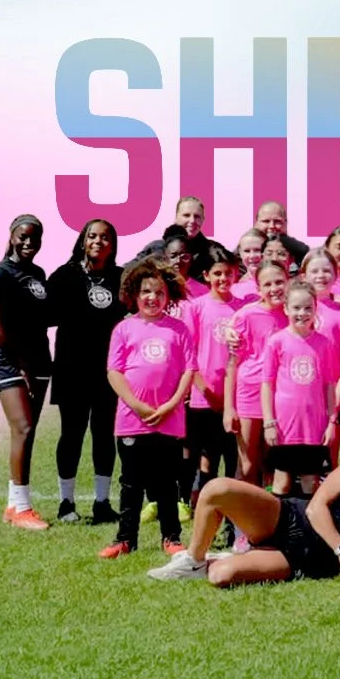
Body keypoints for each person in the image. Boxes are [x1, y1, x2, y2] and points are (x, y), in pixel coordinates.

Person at [148, 421, 340, 585]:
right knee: (216, 489)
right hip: (291, 519)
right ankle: (194, 560)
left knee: (221, 576)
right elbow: (315, 507)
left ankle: (220, 560)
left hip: (309, 558)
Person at [100, 258, 196, 558]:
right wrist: (136, 405)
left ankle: (171, 537)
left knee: (167, 481)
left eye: (159, 292)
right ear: (134, 294)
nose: (152, 297)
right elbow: (114, 372)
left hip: (169, 420)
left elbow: (188, 371)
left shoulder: (179, 330)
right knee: (131, 483)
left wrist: (171, 404)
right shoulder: (124, 329)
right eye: (146, 292)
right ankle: (125, 539)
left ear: (168, 297)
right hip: (132, 420)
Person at [46, 218, 127, 523]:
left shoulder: (121, 278)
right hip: (71, 370)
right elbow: (39, 313)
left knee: (104, 434)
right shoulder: (64, 276)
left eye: (105, 237)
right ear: (83, 241)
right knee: (72, 434)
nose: (98, 241)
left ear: (112, 244)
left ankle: (102, 503)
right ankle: (66, 503)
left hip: (109, 372)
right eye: (92, 236)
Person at [0, 214, 54, 529]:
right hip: (10, 360)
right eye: (23, 236)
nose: (29, 242)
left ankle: (13, 504)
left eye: (35, 238)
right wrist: (22, 364)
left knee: (28, 431)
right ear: (12, 235)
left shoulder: (38, 274)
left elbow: (42, 318)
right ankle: (22, 508)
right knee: (23, 427)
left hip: (39, 359)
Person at [260, 280, 339, 495]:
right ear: (285, 308)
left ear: (315, 309)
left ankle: (306, 527)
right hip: (285, 425)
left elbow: (330, 385)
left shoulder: (323, 343)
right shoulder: (276, 342)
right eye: (296, 307)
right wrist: (269, 422)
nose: (302, 313)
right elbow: (267, 384)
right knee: (282, 482)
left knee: (309, 481)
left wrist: (332, 421)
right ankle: (280, 527)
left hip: (313, 424)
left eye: (308, 308)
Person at [182, 246, 244, 508]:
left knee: (232, 455)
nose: (223, 279)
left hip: (235, 398)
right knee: (204, 456)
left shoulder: (242, 308)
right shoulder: (196, 308)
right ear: (206, 275)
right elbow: (189, 355)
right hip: (203, 397)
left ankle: (231, 509)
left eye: (228, 273)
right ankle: (199, 505)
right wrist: (206, 391)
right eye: (217, 273)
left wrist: (228, 397)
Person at [224, 261, 289, 494]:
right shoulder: (246, 315)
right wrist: (228, 408)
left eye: (279, 282)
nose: (274, 288)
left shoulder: (295, 313)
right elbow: (232, 364)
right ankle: (238, 525)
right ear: (258, 289)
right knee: (248, 463)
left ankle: (270, 520)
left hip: (281, 395)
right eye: (267, 284)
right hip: (249, 393)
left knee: (273, 461)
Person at [254, 201, 309, 270]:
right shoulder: (244, 249)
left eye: (277, 221)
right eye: (266, 221)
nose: (272, 226)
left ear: (286, 223)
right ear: (256, 222)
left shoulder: (299, 250)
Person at [231, 229, 266, 301]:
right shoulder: (233, 287)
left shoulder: (281, 283)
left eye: (257, 250)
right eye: (247, 251)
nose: (252, 256)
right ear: (240, 253)